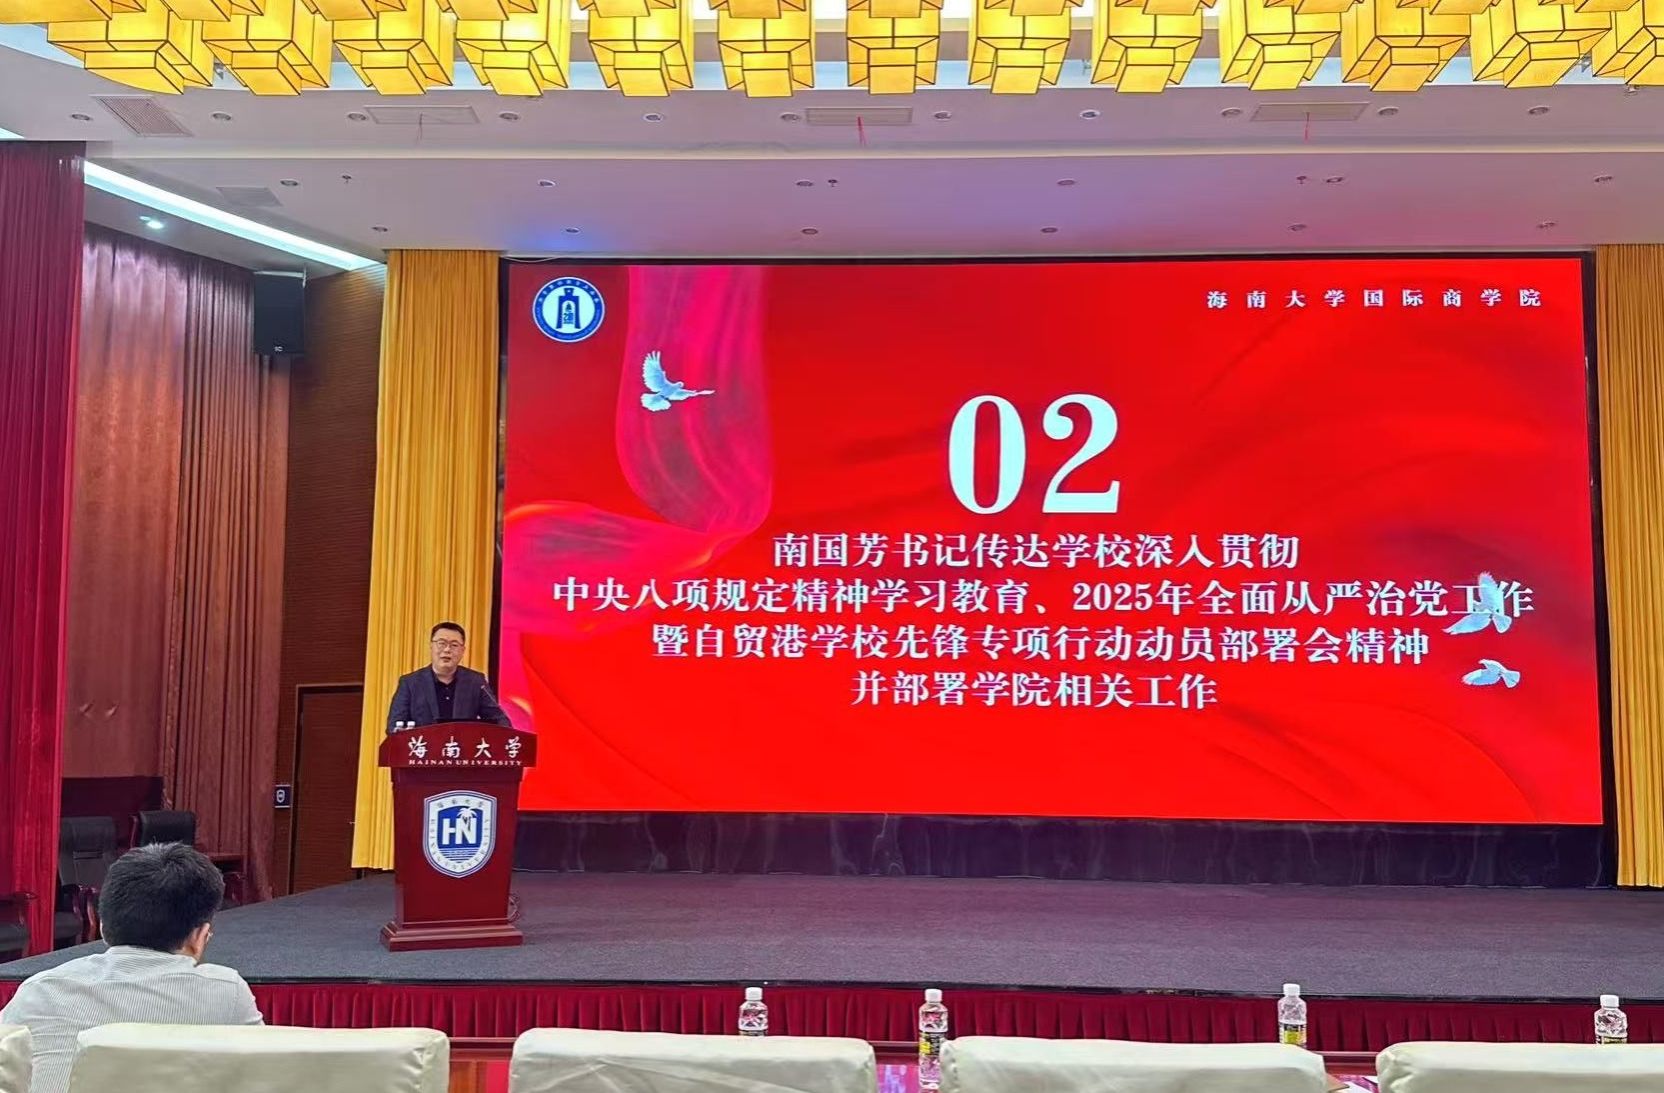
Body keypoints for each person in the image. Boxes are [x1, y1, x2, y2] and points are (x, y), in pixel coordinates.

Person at [0, 843, 262, 1093]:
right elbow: (264, 1077)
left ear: (103, 927)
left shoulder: (40, 990)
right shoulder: (227, 991)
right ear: (200, 936)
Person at [386, 621, 512, 734]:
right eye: (441, 643)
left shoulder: (476, 682)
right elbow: (394, 725)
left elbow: (499, 720)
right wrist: (400, 733)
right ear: (431, 646)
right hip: (423, 750)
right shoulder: (410, 683)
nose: (447, 649)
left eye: (454, 645)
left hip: (462, 750)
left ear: (463, 650)